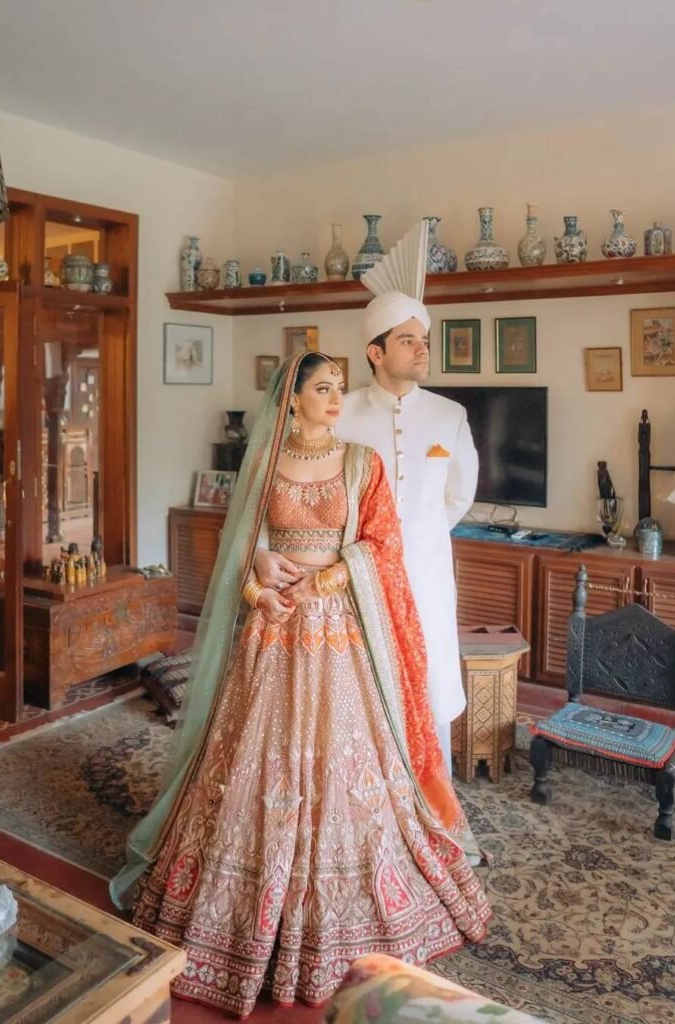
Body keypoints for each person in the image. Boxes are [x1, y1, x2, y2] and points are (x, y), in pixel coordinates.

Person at [111, 352, 490, 1017]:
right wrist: (258, 588)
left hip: (339, 629)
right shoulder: (263, 465)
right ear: (291, 399)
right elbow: (239, 546)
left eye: (340, 387)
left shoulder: (361, 463)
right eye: (323, 388)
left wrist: (327, 579)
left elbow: (382, 544)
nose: (337, 398)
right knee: (257, 756)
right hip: (274, 630)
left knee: (345, 758)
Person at [255, 222, 478, 774]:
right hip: (346, 584)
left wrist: (413, 539)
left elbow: (458, 497)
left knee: (427, 689)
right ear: (376, 352)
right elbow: (288, 481)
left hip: (424, 576)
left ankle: (432, 801)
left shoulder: (450, 416)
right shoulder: (340, 410)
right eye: (408, 341)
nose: (422, 349)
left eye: (424, 340)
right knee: (355, 699)